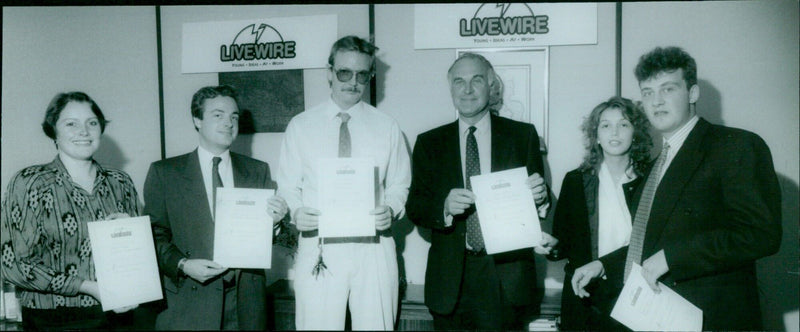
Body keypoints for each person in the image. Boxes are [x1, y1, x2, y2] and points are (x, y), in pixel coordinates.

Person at [625, 46, 781, 330]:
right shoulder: (655, 164)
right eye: (647, 93)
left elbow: (761, 233)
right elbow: (651, 242)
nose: (656, 101)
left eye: (667, 89)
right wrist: (603, 265)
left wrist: (674, 257)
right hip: (658, 319)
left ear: (693, 93)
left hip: (713, 321)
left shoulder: (735, 145)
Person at [406, 53, 555, 330]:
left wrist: (541, 196)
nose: (467, 89)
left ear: (491, 85)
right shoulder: (429, 143)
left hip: (506, 277)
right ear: (451, 89)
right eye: (459, 82)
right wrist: (444, 207)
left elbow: (540, 197)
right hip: (450, 282)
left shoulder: (523, 135)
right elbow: (415, 206)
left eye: (476, 80)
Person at [276, 35, 411, 330]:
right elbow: (287, 185)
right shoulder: (301, 126)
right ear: (329, 72)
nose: (353, 82)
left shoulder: (387, 126)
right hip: (319, 245)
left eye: (362, 74)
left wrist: (391, 208)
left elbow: (400, 185)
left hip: (374, 247)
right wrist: (297, 212)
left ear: (370, 76)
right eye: (344, 73)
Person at [144, 85, 288, 330]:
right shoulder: (165, 173)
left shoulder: (257, 170)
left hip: (245, 305)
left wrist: (275, 224)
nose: (229, 123)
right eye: (218, 115)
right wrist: (183, 265)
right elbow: (152, 237)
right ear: (197, 120)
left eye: (234, 116)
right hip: (189, 303)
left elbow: (279, 239)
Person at [0, 92, 140, 330]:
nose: (84, 131)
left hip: (120, 315)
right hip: (55, 319)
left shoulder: (120, 182)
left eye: (92, 123)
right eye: (71, 124)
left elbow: (138, 256)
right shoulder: (30, 182)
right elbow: (12, 265)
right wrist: (86, 286)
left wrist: (133, 232)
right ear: (53, 131)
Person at [549, 96, 652, 330]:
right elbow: (562, 243)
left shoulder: (652, 181)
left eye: (624, 124)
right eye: (605, 125)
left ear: (635, 132)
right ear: (596, 135)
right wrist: (552, 244)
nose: (614, 132)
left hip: (637, 294)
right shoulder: (575, 181)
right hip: (584, 296)